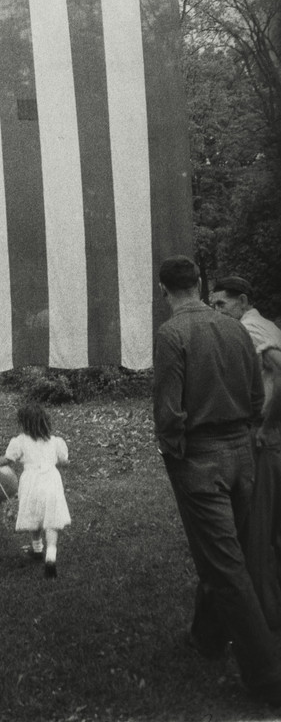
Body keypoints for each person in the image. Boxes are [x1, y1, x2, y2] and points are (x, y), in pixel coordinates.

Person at [153, 255, 281, 708]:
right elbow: (256, 396)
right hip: (242, 453)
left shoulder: (172, 334)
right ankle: (207, 636)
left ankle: (266, 676)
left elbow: (169, 412)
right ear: (200, 284)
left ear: (164, 291)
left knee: (226, 564)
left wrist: (173, 452)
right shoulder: (235, 327)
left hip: (200, 458)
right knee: (229, 551)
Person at [212, 276, 281, 630]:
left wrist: (267, 426)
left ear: (242, 301)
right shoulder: (265, 324)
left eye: (221, 304)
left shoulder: (250, 328)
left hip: (265, 439)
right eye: (213, 305)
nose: (216, 311)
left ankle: (266, 619)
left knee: (257, 532)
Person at [0, 402, 71, 578]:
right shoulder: (55, 442)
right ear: (45, 422)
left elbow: (8, 459)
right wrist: (64, 461)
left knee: (34, 514)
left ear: (24, 424)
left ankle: (37, 548)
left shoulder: (19, 442)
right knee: (51, 519)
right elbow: (64, 461)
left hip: (31, 482)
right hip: (51, 480)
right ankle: (51, 555)